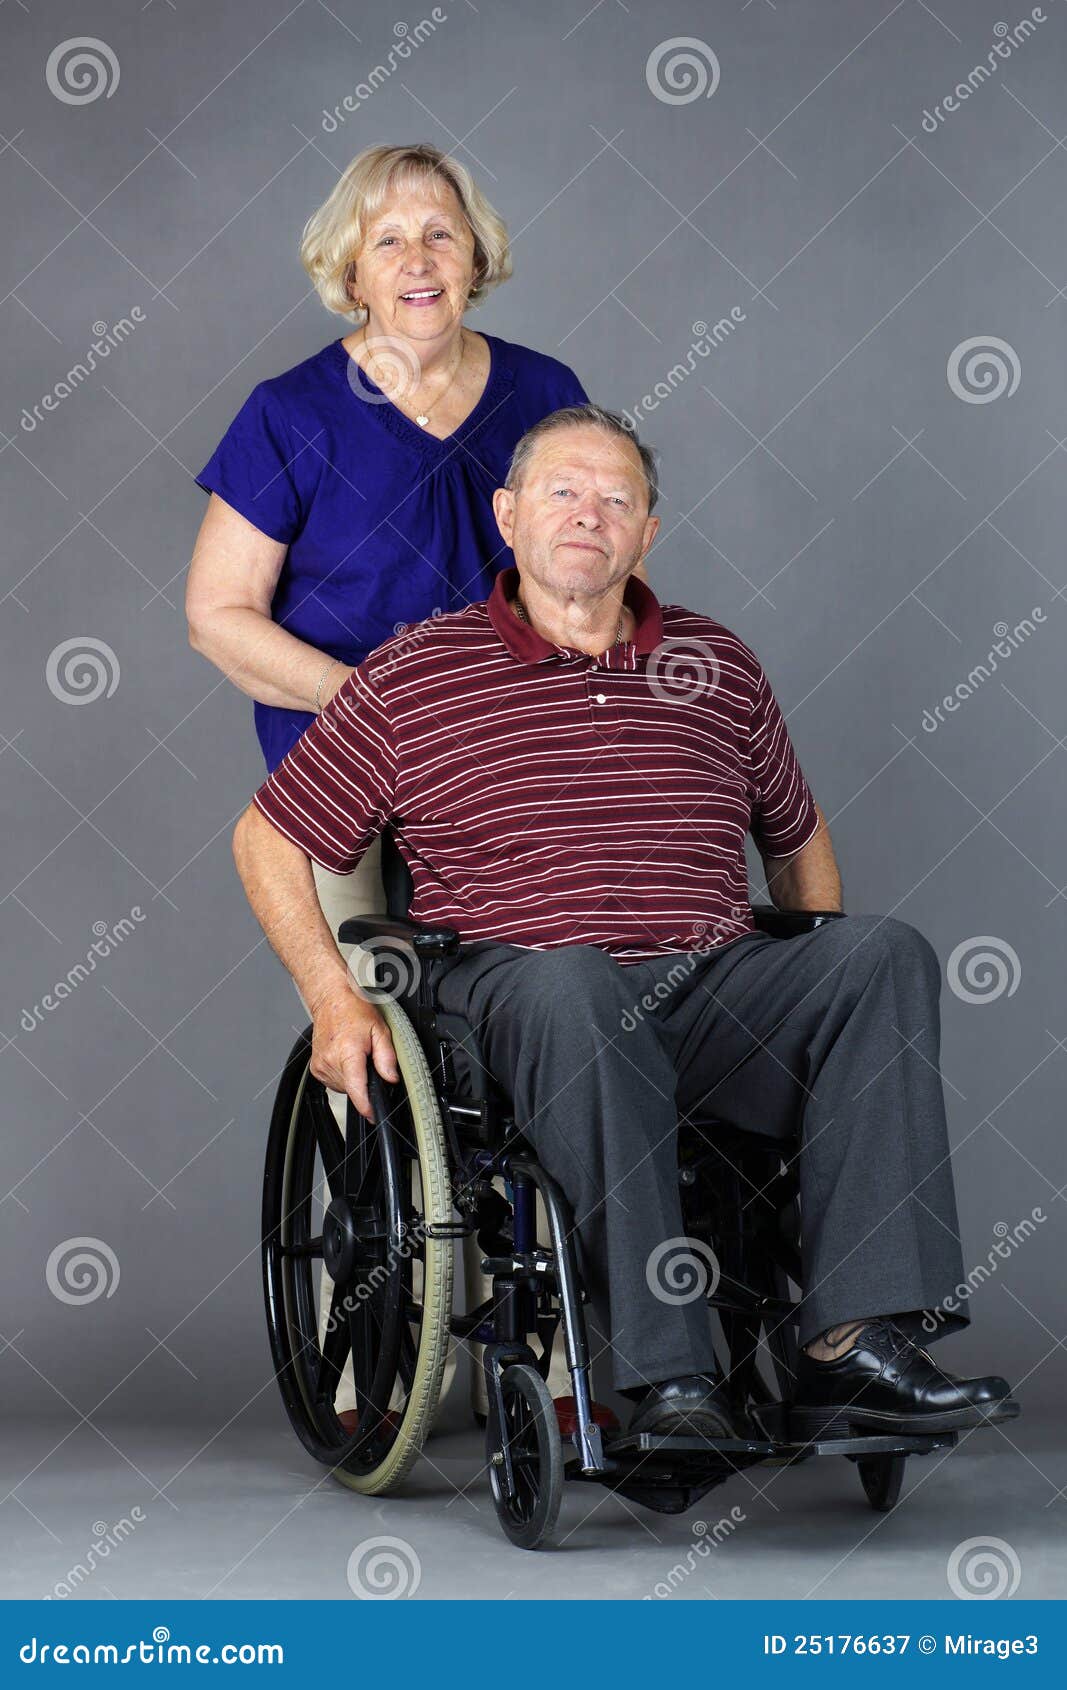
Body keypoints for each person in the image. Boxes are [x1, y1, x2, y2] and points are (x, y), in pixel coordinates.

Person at [231, 402, 1019, 1440]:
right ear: (508, 516)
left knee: (880, 955)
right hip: (517, 993)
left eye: (615, 498)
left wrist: (813, 977)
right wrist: (332, 999)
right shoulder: (418, 672)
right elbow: (267, 836)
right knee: (577, 980)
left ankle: (853, 1346)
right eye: (562, 491)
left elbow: (795, 839)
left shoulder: (715, 663)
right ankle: (671, 1378)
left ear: (646, 532)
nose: (586, 514)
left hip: (704, 988)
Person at [187, 142, 607, 1427]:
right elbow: (218, 614)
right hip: (344, 774)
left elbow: (587, 564)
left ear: (476, 254)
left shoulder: (541, 393)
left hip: (506, 770)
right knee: (373, 1036)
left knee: (550, 1020)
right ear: (349, 270)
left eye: (440, 234)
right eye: (388, 240)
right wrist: (372, 703)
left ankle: (567, 1353)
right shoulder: (288, 414)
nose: (418, 261)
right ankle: (379, 1349)